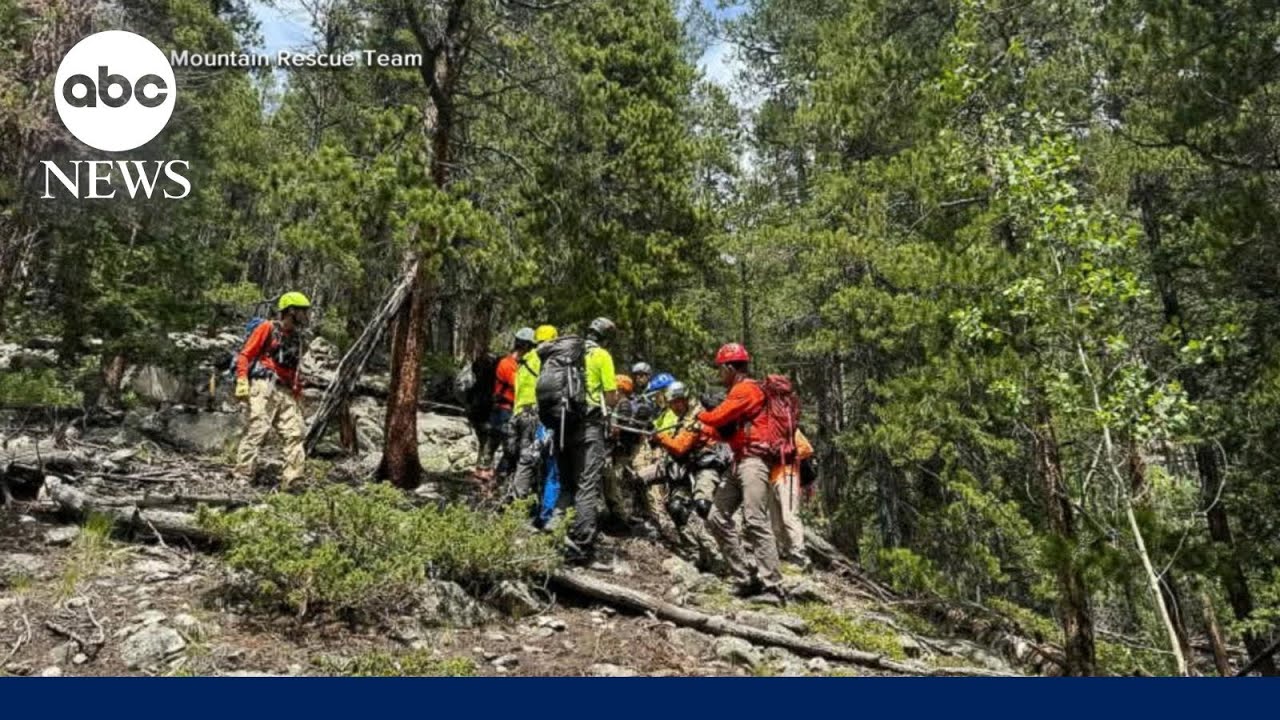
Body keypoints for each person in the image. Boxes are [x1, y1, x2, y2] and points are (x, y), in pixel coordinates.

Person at [696, 342, 783, 601]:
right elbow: (724, 429)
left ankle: (772, 586)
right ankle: (744, 576)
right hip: (739, 461)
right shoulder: (741, 392)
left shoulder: (746, 389)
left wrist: (701, 413)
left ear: (729, 367)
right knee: (715, 516)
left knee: (755, 519)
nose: (718, 374)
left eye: (720, 369)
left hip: (755, 462)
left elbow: (717, 417)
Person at [234, 292, 311, 489]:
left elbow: (295, 371)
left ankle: (293, 480)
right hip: (264, 386)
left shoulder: (298, 339)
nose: (306, 315)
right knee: (259, 429)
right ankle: (243, 476)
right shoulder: (267, 328)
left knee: (295, 434)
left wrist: (298, 394)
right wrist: (242, 380)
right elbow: (245, 355)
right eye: (303, 311)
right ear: (291, 311)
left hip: (286, 391)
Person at [557, 316, 618, 563]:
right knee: (587, 484)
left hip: (562, 424)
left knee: (567, 483)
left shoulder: (568, 353)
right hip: (589, 426)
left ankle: (556, 533)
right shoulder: (601, 356)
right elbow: (611, 396)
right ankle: (581, 545)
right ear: (605, 337)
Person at [648, 381, 725, 564]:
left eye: (678, 402)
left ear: (686, 400)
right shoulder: (680, 420)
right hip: (687, 470)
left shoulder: (697, 417)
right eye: (672, 403)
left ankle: (719, 551)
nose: (675, 406)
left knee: (703, 505)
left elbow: (680, 446)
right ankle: (694, 552)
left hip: (707, 467)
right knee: (675, 507)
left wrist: (659, 436)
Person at [478, 328, 534, 484]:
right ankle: (493, 479)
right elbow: (518, 385)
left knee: (494, 445)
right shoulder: (508, 364)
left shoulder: (515, 364)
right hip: (505, 410)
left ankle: (489, 477)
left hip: (503, 410)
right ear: (526, 346)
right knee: (509, 448)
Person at [509, 324, 556, 499]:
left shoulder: (522, 363)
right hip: (532, 415)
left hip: (517, 415)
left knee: (519, 457)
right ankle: (520, 499)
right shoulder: (538, 359)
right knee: (529, 458)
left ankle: (514, 493)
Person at [769, 427, 813, 568]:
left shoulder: (789, 427)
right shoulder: (764, 428)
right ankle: (783, 552)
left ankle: (798, 551)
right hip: (770, 478)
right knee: (775, 521)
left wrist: (786, 454)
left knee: (789, 517)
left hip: (788, 474)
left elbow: (806, 449)